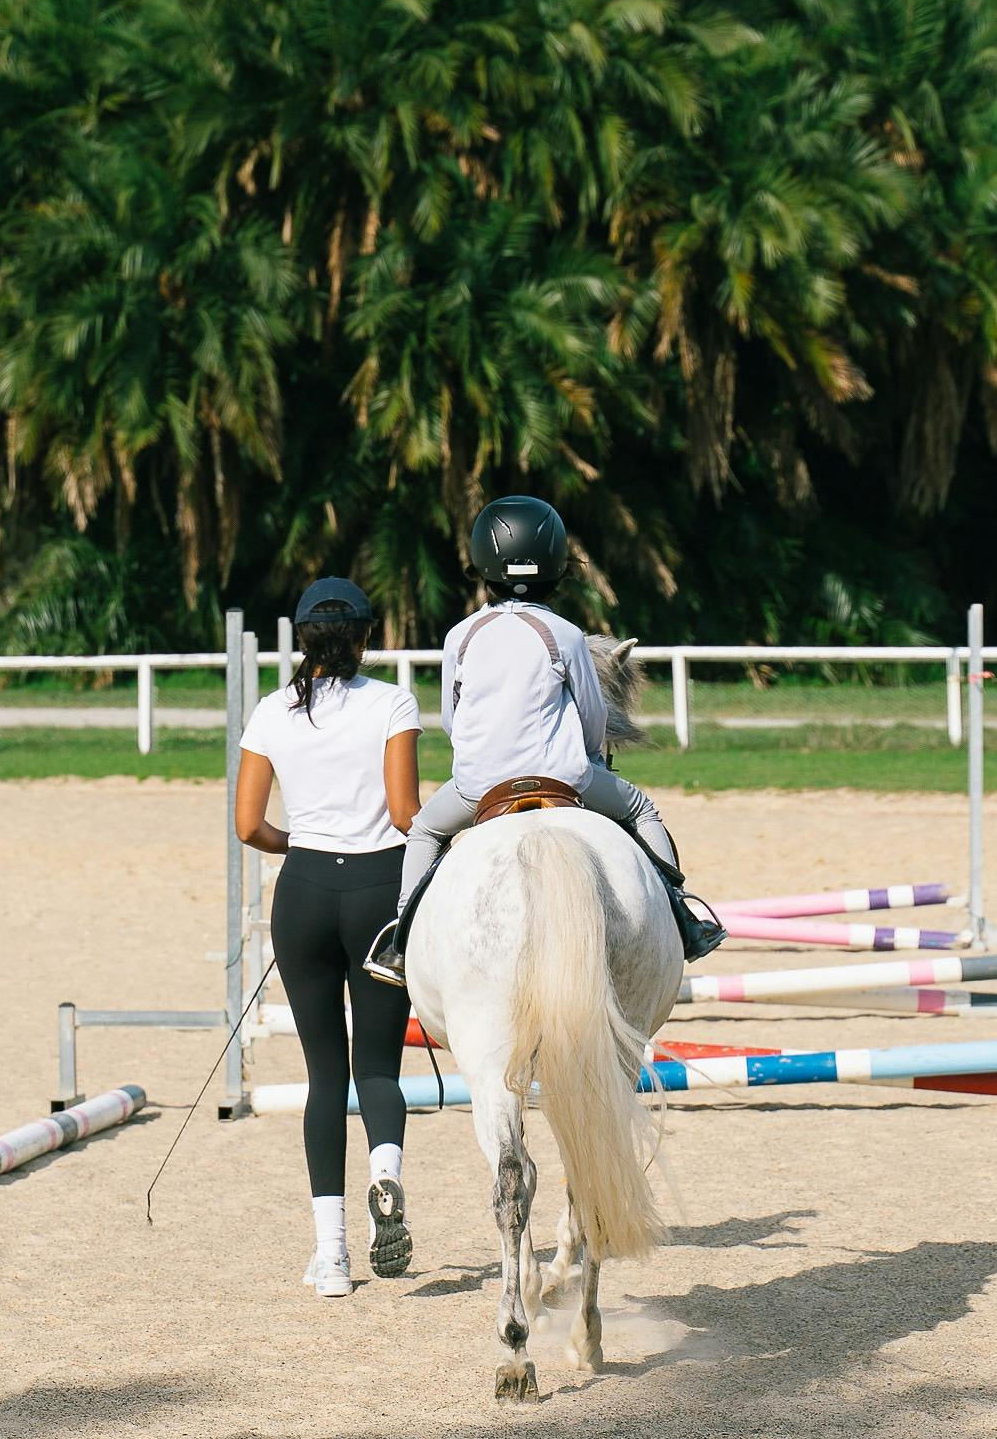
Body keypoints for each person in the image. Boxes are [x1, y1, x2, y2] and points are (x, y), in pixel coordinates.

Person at [364, 495, 726, 987]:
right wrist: (591, 758)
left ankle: (400, 939)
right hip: (563, 778)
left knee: (426, 832)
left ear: (483, 567)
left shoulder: (460, 636)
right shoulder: (566, 634)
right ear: (556, 567)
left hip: (478, 786)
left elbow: (452, 717)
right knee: (642, 810)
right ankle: (684, 916)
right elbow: (593, 717)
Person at [235, 576, 423, 1299]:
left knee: (325, 1077)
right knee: (378, 1068)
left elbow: (249, 825)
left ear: (302, 640)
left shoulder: (271, 713)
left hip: (306, 892)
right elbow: (405, 812)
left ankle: (333, 1258)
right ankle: (386, 1171)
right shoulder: (390, 701)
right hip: (379, 890)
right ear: (366, 638)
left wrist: (303, 845)